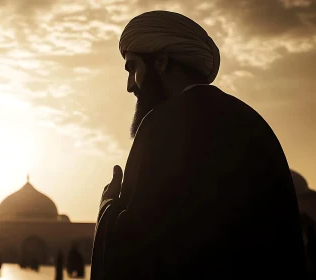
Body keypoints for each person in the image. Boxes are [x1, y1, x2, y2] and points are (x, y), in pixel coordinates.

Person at [91, 10, 307, 280]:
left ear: (161, 61)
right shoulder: (254, 124)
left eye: (133, 67)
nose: (129, 86)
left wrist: (107, 207)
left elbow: (139, 250)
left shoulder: (161, 127)